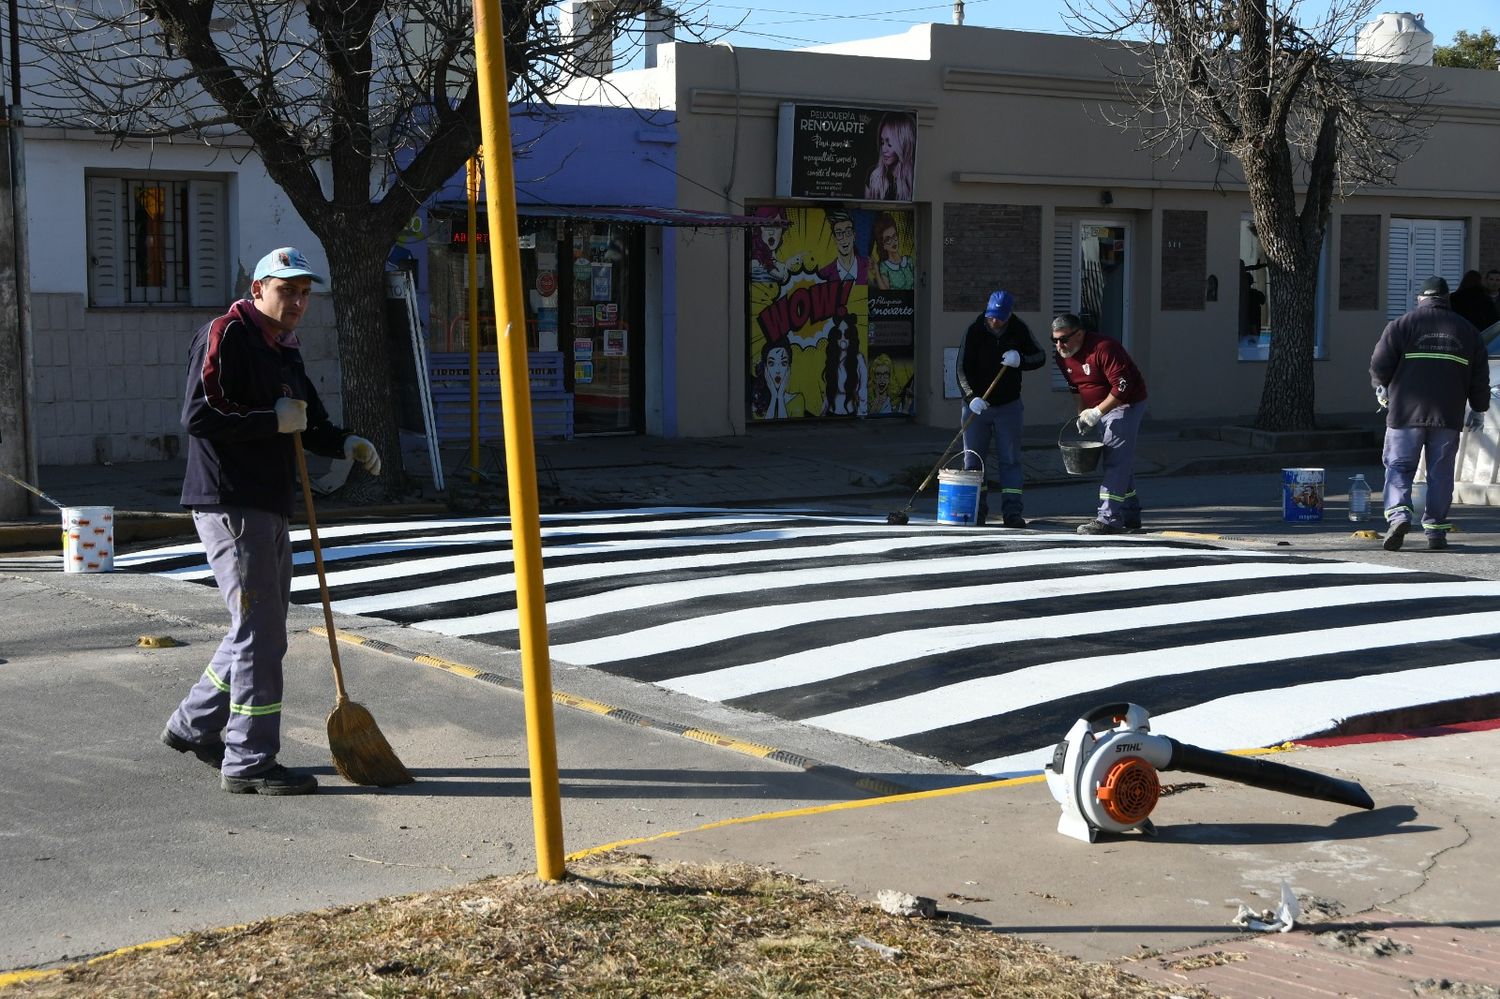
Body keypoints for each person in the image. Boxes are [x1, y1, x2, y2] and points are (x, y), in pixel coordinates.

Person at [161, 247, 382, 795]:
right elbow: (198, 415)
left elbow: (307, 422)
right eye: (287, 290)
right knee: (262, 633)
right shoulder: (227, 334)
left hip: (267, 500)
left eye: (305, 292)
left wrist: (345, 442)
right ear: (258, 288)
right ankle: (249, 761)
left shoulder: (284, 349)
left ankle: (193, 724)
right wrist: (270, 420)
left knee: (254, 627)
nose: (298, 301)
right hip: (231, 500)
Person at [1370, 275, 1489, 552]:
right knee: (1441, 473)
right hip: (1447, 415)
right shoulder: (1468, 331)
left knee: (1399, 467)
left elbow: (1379, 364)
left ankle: (1399, 516)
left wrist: (1381, 387)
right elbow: (1479, 377)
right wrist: (1479, 409)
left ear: (1420, 299)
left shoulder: (1401, 325)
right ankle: (1436, 532)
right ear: (1447, 300)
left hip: (1404, 414)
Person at [1051, 312, 1149, 534]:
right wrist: (1082, 414)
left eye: (1064, 339)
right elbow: (1076, 387)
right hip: (1099, 408)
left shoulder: (1104, 348)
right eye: (1055, 340)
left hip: (1125, 404)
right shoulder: (1062, 356)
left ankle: (1108, 518)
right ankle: (1131, 512)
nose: (1059, 345)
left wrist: (1097, 412)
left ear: (1080, 333)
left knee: (1114, 460)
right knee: (1120, 459)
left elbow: (1122, 387)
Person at [955, 290, 1047, 527]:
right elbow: (961, 369)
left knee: (1010, 460)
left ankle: (1012, 513)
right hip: (976, 407)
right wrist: (970, 396)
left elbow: (1040, 356)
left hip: (1009, 406)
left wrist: (1021, 359)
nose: (994, 321)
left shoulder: (1019, 329)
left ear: (1008, 314)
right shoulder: (974, 330)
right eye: (991, 316)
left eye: (1000, 317)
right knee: (973, 461)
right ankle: (977, 511)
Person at [820, 311, 867, 416]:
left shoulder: (858, 358)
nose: (842, 339)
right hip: (831, 413)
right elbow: (828, 392)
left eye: (847, 334)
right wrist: (822, 415)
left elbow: (863, 389)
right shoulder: (833, 358)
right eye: (838, 335)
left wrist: (862, 412)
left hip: (850, 412)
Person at [863, 113, 915, 202]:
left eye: (889, 144)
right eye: (882, 142)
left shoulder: (913, 178)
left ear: (904, 144)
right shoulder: (873, 175)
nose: (883, 149)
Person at [750, 338, 805, 419]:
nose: (778, 371)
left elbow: (786, 427)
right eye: (771, 363)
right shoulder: (757, 401)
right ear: (765, 368)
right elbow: (765, 428)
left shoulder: (797, 400)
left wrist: (780, 397)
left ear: (789, 368)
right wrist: (774, 396)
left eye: (783, 363)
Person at [815, 210, 869, 285]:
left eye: (848, 232)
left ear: (854, 236)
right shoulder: (824, 274)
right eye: (839, 233)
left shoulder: (869, 266)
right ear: (834, 239)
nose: (844, 238)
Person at [870, 213, 914, 291]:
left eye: (894, 236)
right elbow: (886, 292)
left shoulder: (909, 260)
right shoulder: (884, 266)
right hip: (895, 301)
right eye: (888, 239)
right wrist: (877, 273)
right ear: (883, 245)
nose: (893, 241)